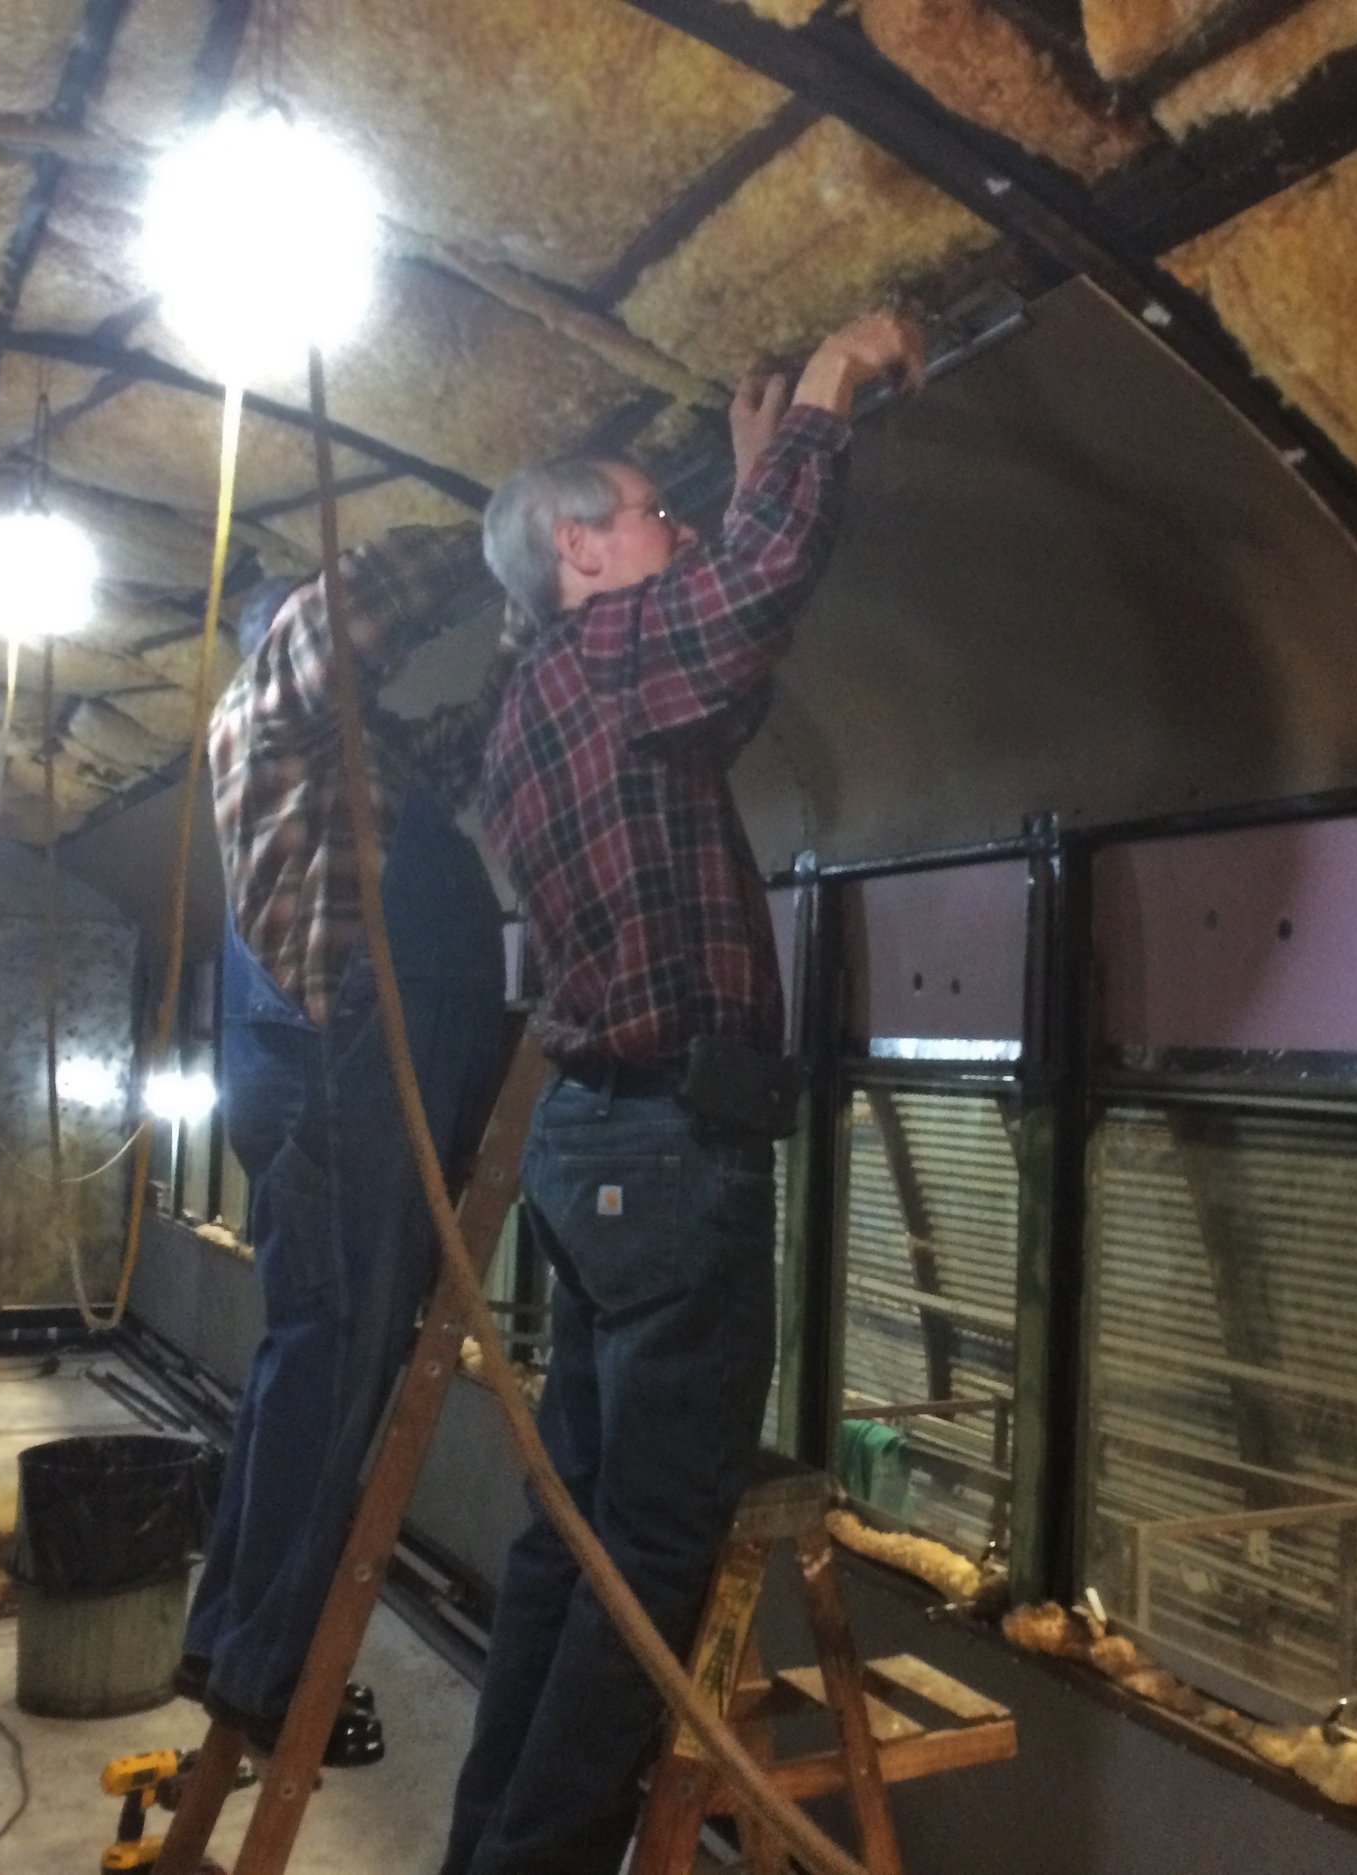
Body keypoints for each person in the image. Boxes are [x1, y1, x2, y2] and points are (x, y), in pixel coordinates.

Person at [443, 309, 925, 1875]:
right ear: (581, 547)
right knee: (650, 1543)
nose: (682, 527)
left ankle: (489, 1842)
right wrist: (829, 399)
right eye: (655, 511)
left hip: (601, 1150)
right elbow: (743, 599)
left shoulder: (539, 701)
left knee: (571, 1530)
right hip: (673, 1145)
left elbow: (716, 680)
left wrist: (746, 468)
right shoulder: (606, 654)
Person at [176, 531, 514, 1760]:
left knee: (317, 1359)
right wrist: (507, 535)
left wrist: (527, 626)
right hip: (342, 1069)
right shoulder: (265, 707)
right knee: (333, 1365)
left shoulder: (351, 757)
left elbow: (461, 751)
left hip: (356, 1066)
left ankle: (235, 1636)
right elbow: (355, 611)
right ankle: (267, 1663)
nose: (364, 671)